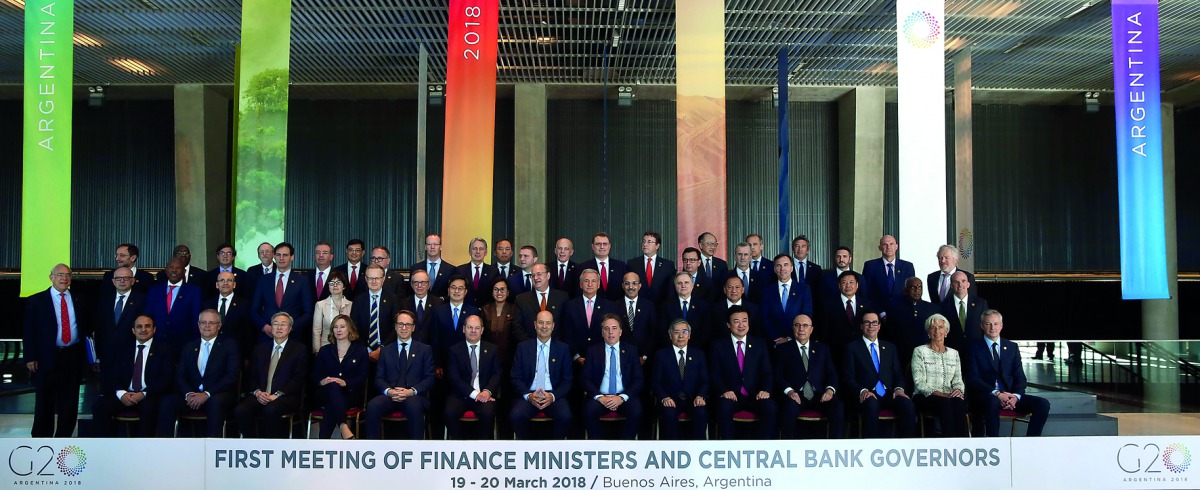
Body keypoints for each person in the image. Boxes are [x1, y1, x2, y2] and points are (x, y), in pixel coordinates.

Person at [24, 264, 90, 437]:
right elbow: (29, 331)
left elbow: (86, 329)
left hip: (73, 355)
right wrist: (30, 356)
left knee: (69, 400)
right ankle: (41, 439)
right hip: (47, 357)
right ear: (51, 277)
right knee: (45, 400)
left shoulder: (79, 299)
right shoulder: (36, 300)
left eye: (68, 275)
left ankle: (64, 437)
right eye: (60, 274)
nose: (64, 278)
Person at [963, 309, 1051, 437]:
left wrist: (1015, 396)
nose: (993, 327)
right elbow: (973, 379)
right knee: (992, 401)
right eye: (988, 324)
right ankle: (995, 445)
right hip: (985, 396)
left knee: (1043, 404)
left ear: (1001, 326)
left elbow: (1020, 378)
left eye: (996, 323)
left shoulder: (1011, 347)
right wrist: (997, 394)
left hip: (1010, 396)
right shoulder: (973, 348)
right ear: (982, 326)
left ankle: (1031, 443)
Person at [158, 309, 240, 437]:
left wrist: (207, 394)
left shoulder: (229, 345)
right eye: (203, 322)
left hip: (218, 394)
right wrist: (189, 393)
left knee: (215, 403)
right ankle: (165, 449)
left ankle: (213, 449)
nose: (207, 326)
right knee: (167, 402)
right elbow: (180, 376)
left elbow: (231, 376)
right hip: (192, 395)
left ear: (219, 325)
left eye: (211, 323)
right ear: (198, 324)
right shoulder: (189, 346)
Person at [92, 315, 175, 437]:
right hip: (125, 394)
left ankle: (143, 450)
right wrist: (121, 393)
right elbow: (111, 374)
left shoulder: (164, 350)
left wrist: (143, 394)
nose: (143, 330)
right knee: (99, 406)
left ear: (154, 329)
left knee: (149, 408)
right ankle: (107, 448)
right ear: (133, 330)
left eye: (147, 326)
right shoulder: (122, 348)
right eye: (139, 327)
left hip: (148, 395)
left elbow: (166, 378)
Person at [234, 312, 309, 439]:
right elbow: (251, 376)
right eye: (275, 324)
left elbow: (298, 379)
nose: (279, 328)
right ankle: (252, 442)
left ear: (290, 329)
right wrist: (257, 392)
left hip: (284, 397)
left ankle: (271, 446)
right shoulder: (260, 349)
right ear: (271, 327)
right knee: (241, 410)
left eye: (283, 324)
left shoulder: (299, 350)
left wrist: (276, 395)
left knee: (270, 410)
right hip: (261, 395)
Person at [842, 312, 916, 438]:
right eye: (867, 322)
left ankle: (907, 446)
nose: (871, 325)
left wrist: (899, 389)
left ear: (879, 326)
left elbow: (898, 374)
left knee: (907, 404)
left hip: (888, 393)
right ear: (861, 326)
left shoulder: (890, 347)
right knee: (871, 404)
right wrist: (862, 391)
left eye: (874, 322)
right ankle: (872, 447)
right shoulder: (852, 348)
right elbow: (848, 377)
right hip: (866, 394)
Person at [364, 310, 435, 439]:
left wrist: (410, 391)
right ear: (395, 327)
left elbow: (429, 379)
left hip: (414, 396)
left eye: (407, 325)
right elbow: (379, 378)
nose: (403, 328)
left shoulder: (425, 350)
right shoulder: (385, 351)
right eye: (400, 324)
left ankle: (416, 451)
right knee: (372, 406)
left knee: (415, 407)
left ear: (413, 327)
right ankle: (374, 451)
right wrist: (389, 391)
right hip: (391, 395)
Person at [709, 306, 776, 439]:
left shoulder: (759, 344)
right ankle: (730, 449)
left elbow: (767, 372)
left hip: (755, 395)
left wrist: (766, 390)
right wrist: (724, 391)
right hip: (731, 395)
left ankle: (764, 449)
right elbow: (714, 374)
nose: (741, 325)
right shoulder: (718, 346)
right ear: (728, 324)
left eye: (744, 320)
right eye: (736, 321)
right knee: (723, 408)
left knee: (771, 407)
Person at [776, 314, 844, 439]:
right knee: (788, 409)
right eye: (797, 325)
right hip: (796, 394)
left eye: (805, 325)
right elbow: (779, 375)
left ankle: (836, 448)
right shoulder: (783, 349)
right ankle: (787, 449)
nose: (801, 329)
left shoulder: (822, 349)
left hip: (819, 394)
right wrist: (790, 391)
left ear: (811, 329)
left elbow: (832, 374)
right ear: (793, 328)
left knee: (837, 406)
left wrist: (830, 390)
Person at [509, 310, 574, 440]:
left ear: (553, 326)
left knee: (565, 416)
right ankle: (528, 449)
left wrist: (553, 396)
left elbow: (567, 380)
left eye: (548, 323)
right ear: (535, 325)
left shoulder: (563, 348)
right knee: (515, 415)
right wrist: (528, 396)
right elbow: (515, 377)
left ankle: (554, 450)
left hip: (553, 394)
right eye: (541, 323)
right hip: (530, 394)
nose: (544, 326)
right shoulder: (523, 347)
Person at [580, 314, 644, 439]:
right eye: (606, 328)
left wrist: (621, 397)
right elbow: (585, 378)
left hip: (624, 396)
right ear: (602, 332)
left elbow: (639, 379)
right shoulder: (593, 351)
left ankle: (625, 448)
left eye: (614, 328)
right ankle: (597, 449)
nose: (610, 332)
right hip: (600, 396)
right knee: (588, 412)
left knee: (636, 412)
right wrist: (600, 397)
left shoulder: (631, 350)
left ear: (620, 332)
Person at [443, 315, 502, 439]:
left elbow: (496, 374)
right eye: (470, 327)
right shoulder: (454, 350)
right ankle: (458, 447)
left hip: (485, 395)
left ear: (482, 330)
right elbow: (454, 378)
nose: (473, 331)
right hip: (461, 395)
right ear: (464, 329)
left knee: (488, 414)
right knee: (449, 413)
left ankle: (484, 449)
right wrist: (475, 394)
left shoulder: (492, 349)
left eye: (477, 328)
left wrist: (487, 392)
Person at [911, 314, 968, 437]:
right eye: (933, 327)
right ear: (928, 331)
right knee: (946, 403)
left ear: (946, 331)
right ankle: (949, 443)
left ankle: (964, 444)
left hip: (949, 396)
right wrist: (943, 395)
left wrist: (958, 391)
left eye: (941, 327)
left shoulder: (954, 353)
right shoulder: (919, 351)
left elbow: (958, 379)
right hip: (925, 396)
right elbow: (919, 383)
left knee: (958, 402)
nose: (937, 331)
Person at [312, 314, 369, 439]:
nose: (338, 330)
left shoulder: (361, 351)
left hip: (350, 394)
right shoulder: (325, 350)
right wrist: (323, 381)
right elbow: (315, 375)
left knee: (331, 406)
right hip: (326, 393)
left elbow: (362, 376)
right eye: (335, 327)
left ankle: (322, 443)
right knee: (332, 386)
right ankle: (343, 426)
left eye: (342, 327)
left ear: (350, 329)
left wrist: (345, 383)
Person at [653, 319, 709, 440]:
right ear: (670, 335)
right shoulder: (661, 355)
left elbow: (705, 381)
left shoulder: (699, 355)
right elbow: (655, 382)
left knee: (701, 413)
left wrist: (700, 396)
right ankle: (672, 452)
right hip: (670, 400)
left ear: (689, 335)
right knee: (668, 414)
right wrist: (664, 397)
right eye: (676, 332)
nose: (680, 336)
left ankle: (697, 451)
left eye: (684, 332)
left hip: (693, 399)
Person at [251, 242, 313, 343]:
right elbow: (254, 310)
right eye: (278, 255)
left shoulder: (302, 281)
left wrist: (290, 327)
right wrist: (264, 326)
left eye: (285, 255)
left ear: (292, 257)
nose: (281, 258)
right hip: (268, 337)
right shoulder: (263, 280)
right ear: (274, 256)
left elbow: (308, 312)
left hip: (293, 337)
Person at [145, 258, 203, 351]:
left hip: (184, 343)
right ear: (166, 270)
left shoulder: (194, 291)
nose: (174, 270)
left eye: (178, 267)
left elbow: (196, 317)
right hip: (157, 342)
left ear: (184, 271)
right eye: (171, 267)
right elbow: (148, 315)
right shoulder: (154, 290)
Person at [886, 277, 940, 375]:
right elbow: (890, 334)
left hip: (927, 356)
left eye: (920, 287)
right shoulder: (894, 309)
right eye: (913, 287)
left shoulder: (932, 309)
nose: (917, 290)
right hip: (902, 356)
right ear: (905, 289)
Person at [561, 269, 616, 361]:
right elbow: (566, 334)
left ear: (598, 285)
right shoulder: (570, 305)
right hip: (577, 360)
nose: (590, 284)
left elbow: (612, 333)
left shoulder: (609, 306)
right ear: (581, 284)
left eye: (593, 281)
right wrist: (576, 356)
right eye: (586, 281)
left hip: (602, 358)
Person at [95, 266, 146, 363]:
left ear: (132, 281)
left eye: (126, 278)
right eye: (118, 278)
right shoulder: (104, 300)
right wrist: (98, 356)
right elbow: (99, 329)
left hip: (131, 355)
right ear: (113, 281)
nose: (122, 281)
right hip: (107, 355)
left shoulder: (142, 300)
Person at [760, 253, 813, 346]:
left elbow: (806, 315)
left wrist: (789, 338)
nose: (782, 269)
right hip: (773, 343)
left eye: (786, 265)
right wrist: (776, 338)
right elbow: (764, 318)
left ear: (792, 268)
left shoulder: (803, 289)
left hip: (796, 341)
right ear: (774, 269)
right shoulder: (767, 290)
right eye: (778, 265)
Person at [202, 270, 254, 361]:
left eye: (229, 280)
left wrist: (247, 356)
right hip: (211, 353)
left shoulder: (244, 304)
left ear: (234, 285)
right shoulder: (208, 304)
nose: (225, 283)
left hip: (236, 353)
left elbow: (248, 331)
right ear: (217, 285)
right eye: (222, 280)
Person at [351, 264, 398, 361]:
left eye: (377, 278)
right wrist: (367, 350)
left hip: (387, 351)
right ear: (365, 279)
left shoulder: (393, 299)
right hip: (363, 352)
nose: (373, 281)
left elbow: (396, 327)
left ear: (383, 279)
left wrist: (381, 349)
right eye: (370, 278)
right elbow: (354, 327)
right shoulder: (358, 300)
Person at [861, 235, 916, 317]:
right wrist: (880, 313)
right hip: (878, 316)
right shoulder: (870, 266)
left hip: (903, 314)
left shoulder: (907, 267)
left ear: (896, 246)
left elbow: (911, 292)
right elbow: (867, 292)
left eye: (891, 244)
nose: (888, 247)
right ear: (880, 247)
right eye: (885, 244)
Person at [513, 263, 567, 340]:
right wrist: (533, 345)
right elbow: (517, 327)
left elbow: (566, 326)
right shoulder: (521, 299)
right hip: (530, 347)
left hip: (556, 348)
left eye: (539, 274)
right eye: (533, 275)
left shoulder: (562, 297)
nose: (535, 278)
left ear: (548, 276)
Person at [820, 271, 872, 350]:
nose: (848, 285)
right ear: (839, 285)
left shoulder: (866, 304)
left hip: (861, 350)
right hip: (836, 350)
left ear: (857, 285)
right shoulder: (828, 305)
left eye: (851, 282)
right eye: (844, 282)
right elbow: (824, 331)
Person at [707, 275, 761, 350]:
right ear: (724, 290)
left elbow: (757, 333)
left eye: (737, 287)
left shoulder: (754, 309)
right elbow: (710, 335)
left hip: (749, 350)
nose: (734, 290)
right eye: (730, 287)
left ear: (743, 289)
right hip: (721, 351)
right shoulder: (714, 309)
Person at [940, 270, 989, 352]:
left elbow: (986, 327)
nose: (960, 285)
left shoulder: (981, 304)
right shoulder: (943, 306)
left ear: (968, 284)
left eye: (963, 281)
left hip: (977, 352)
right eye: (956, 282)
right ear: (951, 285)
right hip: (952, 352)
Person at [578, 233, 630, 301]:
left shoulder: (621, 266)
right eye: (598, 244)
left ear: (609, 246)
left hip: (616, 308)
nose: (602, 247)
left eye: (605, 244)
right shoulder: (582, 267)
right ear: (592, 246)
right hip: (592, 308)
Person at [661, 272, 708, 346]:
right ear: (675, 286)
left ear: (692, 285)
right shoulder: (666, 307)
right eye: (679, 283)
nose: (683, 286)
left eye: (686, 282)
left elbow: (706, 333)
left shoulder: (704, 306)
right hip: (673, 349)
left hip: (697, 350)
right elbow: (663, 332)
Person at [628, 231, 676, 304]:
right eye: (643, 241)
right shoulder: (632, 263)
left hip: (661, 307)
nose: (645, 244)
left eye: (649, 242)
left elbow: (671, 289)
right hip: (639, 306)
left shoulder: (668, 265)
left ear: (657, 246)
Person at [312, 270, 353, 353]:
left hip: (347, 348)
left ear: (344, 286)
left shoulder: (351, 305)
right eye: (331, 283)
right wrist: (317, 352)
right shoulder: (321, 305)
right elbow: (316, 331)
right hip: (326, 347)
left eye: (338, 283)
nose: (335, 285)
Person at [619, 272, 657, 361]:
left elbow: (653, 334)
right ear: (623, 286)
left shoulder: (649, 306)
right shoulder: (614, 306)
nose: (631, 287)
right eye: (627, 283)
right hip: (621, 357)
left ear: (639, 286)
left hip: (644, 359)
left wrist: (644, 356)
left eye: (634, 283)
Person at [400, 269, 444, 345]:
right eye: (416, 282)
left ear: (429, 284)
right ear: (411, 284)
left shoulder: (439, 303)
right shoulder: (403, 303)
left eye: (423, 282)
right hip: (410, 348)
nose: (419, 286)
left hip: (432, 348)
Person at [454, 238, 500, 308]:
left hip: (487, 312)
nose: (477, 252)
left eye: (481, 249)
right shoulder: (460, 270)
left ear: (485, 252)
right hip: (465, 310)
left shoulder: (493, 271)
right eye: (474, 248)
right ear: (469, 251)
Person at [411, 234, 455, 301]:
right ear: (425, 247)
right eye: (429, 244)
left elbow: (453, 292)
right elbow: (410, 291)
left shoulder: (450, 269)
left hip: (442, 307)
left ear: (440, 247)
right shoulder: (416, 268)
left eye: (435, 244)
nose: (432, 247)